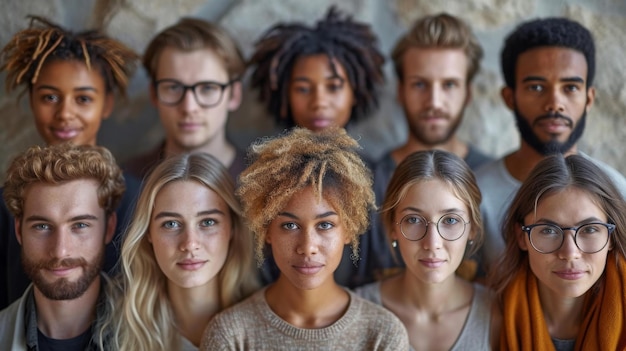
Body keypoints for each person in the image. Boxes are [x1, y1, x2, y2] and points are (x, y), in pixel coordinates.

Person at [200, 128, 409, 350]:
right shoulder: (230, 335)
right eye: (290, 226)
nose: (308, 247)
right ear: (266, 230)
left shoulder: (382, 334)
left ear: (348, 230)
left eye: (325, 225)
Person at [0, 15, 140, 310]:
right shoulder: (6, 204)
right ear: (31, 100)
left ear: (107, 103)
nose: (65, 113)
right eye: (50, 97)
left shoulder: (138, 200)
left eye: (83, 99)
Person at [475, 17, 626, 272]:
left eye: (570, 87)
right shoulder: (476, 196)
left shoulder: (617, 193)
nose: (555, 103)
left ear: (589, 99)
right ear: (510, 97)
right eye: (536, 87)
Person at [364, 13, 493, 285]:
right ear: (400, 91)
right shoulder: (367, 185)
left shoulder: (494, 181)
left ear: (468, 93)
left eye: (449, 85)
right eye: (420, 84)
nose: (434, 101)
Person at [112, 153, 258, 350]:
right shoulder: (115, 328)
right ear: (148, 232)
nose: (190, 243)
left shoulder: (268, 322)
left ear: (233, 228)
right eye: (171, 224)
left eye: (207, 222)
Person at [356, 150, 497, 350]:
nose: (432, 243)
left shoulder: (500, 314)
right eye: (413, 220)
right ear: (393, 227)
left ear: (472, 229)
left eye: (450, 220)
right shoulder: (355, 313)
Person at [489, 154, 626, 350]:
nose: (570, 252)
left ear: (611, 237)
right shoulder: (489, 318)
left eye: (589, 229)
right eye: (548, 231)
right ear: (521, 237)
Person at [0, 143, 125, 350]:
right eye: (42, 226)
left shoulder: (159, 337)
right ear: (19, 230)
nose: (60, 251)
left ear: (108, 228)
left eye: (80, 225)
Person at [125, 18, 246, 181]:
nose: (189, 107)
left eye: (207, 88)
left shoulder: (269, 187)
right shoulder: (124, 185)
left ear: (234, 95)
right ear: (154, 94)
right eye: (173, 87)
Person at [248, 6, 385, 132]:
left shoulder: (368, 160)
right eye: (303, 89)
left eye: (334, 87)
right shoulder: (262, 159)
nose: (319, 102)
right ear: (283, 93)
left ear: (355, 92)